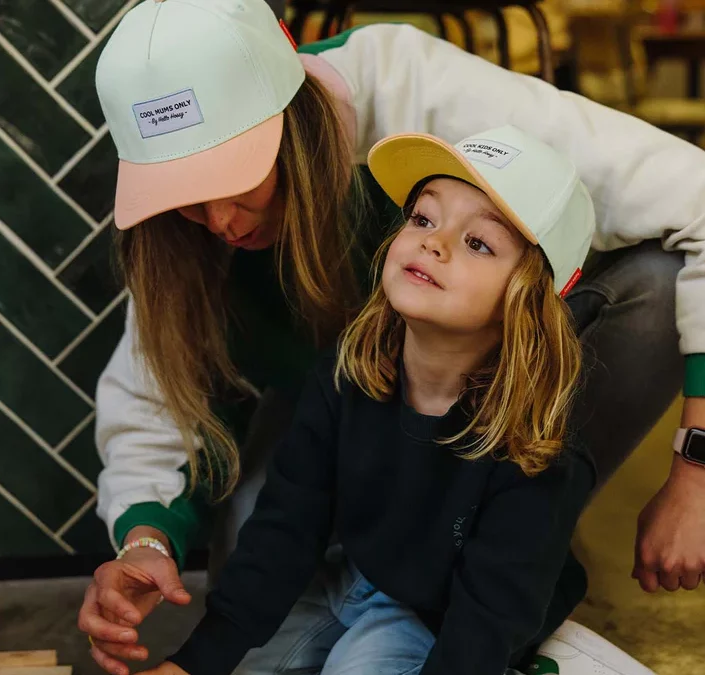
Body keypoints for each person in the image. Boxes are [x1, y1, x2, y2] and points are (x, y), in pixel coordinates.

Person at [79, 0, 705, 673]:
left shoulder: (418, 92)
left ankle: (502, 573)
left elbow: (692, 194)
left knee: (484, 578)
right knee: (253, 584)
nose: (218, 218)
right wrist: (144, 541)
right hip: (352, 406)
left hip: (501, 426)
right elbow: (155, 396)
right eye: (183, 194)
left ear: (292, 119)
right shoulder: (332, 377)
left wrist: (694, 471)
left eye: (232, 177)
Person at [131, 126, 652, 675]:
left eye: (478, 243)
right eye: (424, 218)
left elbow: (486, 623)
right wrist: (192, 665)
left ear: (526, 301)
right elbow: (286, 527)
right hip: (359, 578)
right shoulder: (345, 373)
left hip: (452, 618)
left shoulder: (538, 450)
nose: (434, 242)